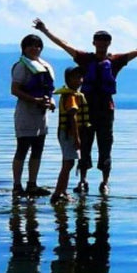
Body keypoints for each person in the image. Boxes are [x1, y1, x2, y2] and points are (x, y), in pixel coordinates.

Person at [31, 19, 137, 193]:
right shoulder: (85, 59)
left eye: (105, 41)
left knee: (105, 145)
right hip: (86, 109)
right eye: (99, 41)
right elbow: (64, 44)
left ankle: (104, 182)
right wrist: (45, 30)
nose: (102, 44)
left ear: (109, 43)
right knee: (84, 145)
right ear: (94, 43)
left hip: (106, 110)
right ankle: (82, 180)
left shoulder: (115, 61)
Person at [10, 33, 56, 197]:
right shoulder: (21, 66)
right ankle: (17, 185)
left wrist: (51, 102)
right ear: (23, 48)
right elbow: (15, 89)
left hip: (41, 116)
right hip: (26, 113)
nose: (34, 48)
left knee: (38, 149)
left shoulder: (45, 66)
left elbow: (49, 90)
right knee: (22, 148)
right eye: (30, 45)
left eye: (37, 46)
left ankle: (32, 184)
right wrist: (34, 99)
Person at [50, 66, 89, 203]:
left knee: (68, 163)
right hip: (68, 134)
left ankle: (63, 191)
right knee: (68, 164)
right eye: (76, 78)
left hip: (66, 133)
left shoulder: (72, 94)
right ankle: (57, 193)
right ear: (68, 80)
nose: (79, 80)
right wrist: (77, 138)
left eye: (81, 77)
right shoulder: (71, 96)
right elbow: (72, 117)